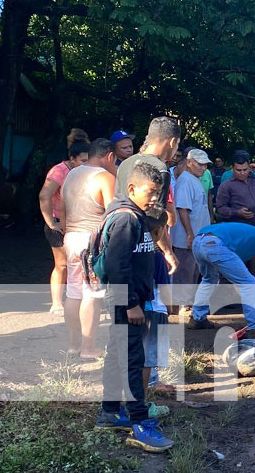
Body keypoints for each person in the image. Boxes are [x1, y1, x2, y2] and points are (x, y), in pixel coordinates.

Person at [95, 161, 174, 452]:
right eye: (150, 192)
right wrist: (130, 304)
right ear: (131, 188)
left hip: (130, 300)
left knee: (118, 354)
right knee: (132, 359)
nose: (154, 198)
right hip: (125, 302)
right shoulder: (126, 219)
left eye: (157, 193)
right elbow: (117, 265)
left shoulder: (137, 217)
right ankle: (140, 424)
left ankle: (109, 412)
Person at [61, 138, 116, 358]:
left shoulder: (71, 174)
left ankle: (73, 345)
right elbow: (114, 216)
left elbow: (63, 210)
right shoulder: (104, 177)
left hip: (71, 237)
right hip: (91, 240)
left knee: (73, 293)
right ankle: (89, 348)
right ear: (109, 156)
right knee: (92, 294)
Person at [115, 116, 180, 274]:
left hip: (119, 239)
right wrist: (168, 252)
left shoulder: (125, 164)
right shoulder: (161, 169)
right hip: (145, 246)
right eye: (177, 144)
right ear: (172, 142)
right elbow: (155, 217)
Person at [39, 132, 90, 316]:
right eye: (83, 160)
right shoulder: (59, 171)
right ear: (72, 158)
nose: (86, 164)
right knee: (61, 264)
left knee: (81, 262)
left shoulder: (84, 171)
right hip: (59, 222)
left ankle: (77, 300)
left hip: (78, 223)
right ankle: (56, 303)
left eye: (88, 160)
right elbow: (44, 196)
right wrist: (51, 222)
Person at [171, 149, 212, 313]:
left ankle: (187, 303)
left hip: (196, 236)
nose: (203, 168)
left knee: (193, 271)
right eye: (200, 164)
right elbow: (182, 209)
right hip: (187, 237)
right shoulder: (186, 181)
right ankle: (182, 304)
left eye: (205, 165)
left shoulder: (194, 179)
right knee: (185, 271)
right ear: (189, 163)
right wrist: (189, 234)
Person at [142, 213, 171, 418]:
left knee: (134, 354)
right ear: (159, 232)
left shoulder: (132, 253)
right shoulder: (156, 256)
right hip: (155, 309)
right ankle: (144, 400)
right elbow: (164, 288)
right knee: (149, 357)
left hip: (133, 308)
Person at [214, 151, 255, 233]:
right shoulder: (226, 186)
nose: (242, 173)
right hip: (243, 231)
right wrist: (237, 212)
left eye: (245, 169)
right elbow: (220, 208)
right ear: (232, 168)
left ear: (250, 168)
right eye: (238, 170)